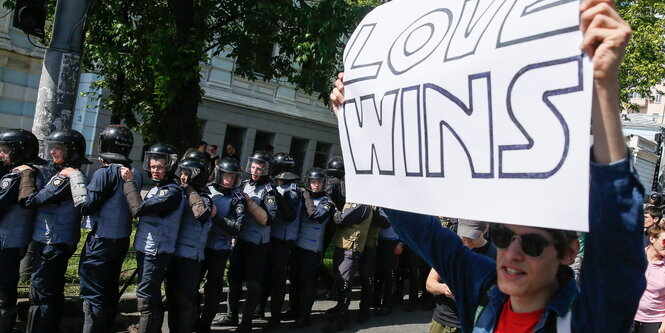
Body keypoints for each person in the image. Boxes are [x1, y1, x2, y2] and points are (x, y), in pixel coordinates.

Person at [329, 1, 646, 331]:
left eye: (533, 244)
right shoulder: (481, 287)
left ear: (568, 252)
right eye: (502, 236)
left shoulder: (588, 318)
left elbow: (616, 239)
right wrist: (360, 128)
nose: (512, 253)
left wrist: (602, 83)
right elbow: (414, 224)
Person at [20, 129, 92, 332]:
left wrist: (25, 173)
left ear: (72, 151)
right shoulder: (63, 175)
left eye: (58, 148)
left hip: (54, 242)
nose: (52, 152)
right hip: (53, 240)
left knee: (44, 291)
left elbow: (32, 201)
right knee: (48, 290)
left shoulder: (67, 178)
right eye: (52, 147)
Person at [76, 124, 142, 333]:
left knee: (92, 295)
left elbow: (87, 206)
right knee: (109, 291)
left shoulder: (103, 174)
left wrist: (75, 181)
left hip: (101, 240)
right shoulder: (135, 174)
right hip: (121, 240)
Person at [120, 143, 187, 333]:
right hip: (148, 249)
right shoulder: (158, 188)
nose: (155, 170)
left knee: (146, 299)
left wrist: (129, 182)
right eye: (152, 166)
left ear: (169, 166)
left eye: (159, 166)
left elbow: (138, 209)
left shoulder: (171, 192)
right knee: (151, 296)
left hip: (156, 252)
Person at [217, 150, 278, 332]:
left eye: (260, 168)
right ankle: (231, 315)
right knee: (233, 277)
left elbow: (268, 220)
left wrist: (249, 203)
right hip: (241, 239)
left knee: (253, 283)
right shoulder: (242, 184)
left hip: (258, 244)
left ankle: (247, 322)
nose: (255, 170)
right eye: (253, 166)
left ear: (266, 169)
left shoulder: (269, 191)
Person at [0, 129, 46, 332]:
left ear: (18, 151)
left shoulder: (17, 176)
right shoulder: (34, 173)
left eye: (4, 150)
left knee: (3, 289)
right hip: (16, 239)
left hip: (6, 240)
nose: (1, 154)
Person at [166, 158, 214, 333]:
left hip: (191, 258)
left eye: (187, 174)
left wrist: (189, 190)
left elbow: (200, 213)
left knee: (184, 298)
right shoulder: (178, 192)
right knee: (171, 297)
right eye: (182, 173)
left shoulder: (205, 199)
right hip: (173, 253)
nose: (183, 177)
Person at [198, 157, 246, 333]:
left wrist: (215, 217)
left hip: (219, 249)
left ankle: (205, 325)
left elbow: (237, 227)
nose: (229, 179)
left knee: (213, 288)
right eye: (226, 175)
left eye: (233, 176)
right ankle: (194, 319)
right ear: (219, 174)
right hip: (200, 246)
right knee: (193, 283)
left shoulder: (237, 197)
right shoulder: (207, 189)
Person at [427, 220, 496, 333]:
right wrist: (444, 288)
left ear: (485, 229)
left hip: (475, 324)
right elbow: (430, 283)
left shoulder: (494, 255)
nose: (467, 243)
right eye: (464, 236)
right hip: (443, 320)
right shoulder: (450, 249)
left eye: (472, 237)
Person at [288, 167, 334, 328]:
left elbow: (317, 216)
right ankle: (294, 310)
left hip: (312, 250)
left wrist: (306, 196)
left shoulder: (327, 202)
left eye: (320, 182)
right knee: (294, 279)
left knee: (308, 283)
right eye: (313, 182)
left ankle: (304, 316)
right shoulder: (303, 198)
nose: (316, 185)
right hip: (297, 246)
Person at [263, 152, 301, 330]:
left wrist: (276, 196)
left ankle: (275, 316)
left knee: (278, 279)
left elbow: (289, 216)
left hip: (283, 240)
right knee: (266, 276)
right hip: (272, 237)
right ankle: (261, 309)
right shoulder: (279, 186)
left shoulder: (291, 189)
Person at [323, 202, 373, 333]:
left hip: (350, 248)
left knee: (344, 283)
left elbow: (341, 220)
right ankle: (340, 310)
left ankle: (340, 319)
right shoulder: (358, 203)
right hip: (345, 246)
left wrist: (334, 208)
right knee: (341, 280)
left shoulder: (360, 204)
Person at [632, 225, 665, 333]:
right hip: (629, 316)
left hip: (654, 322)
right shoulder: (635, 257)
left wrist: (662, 329)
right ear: (652, 238)